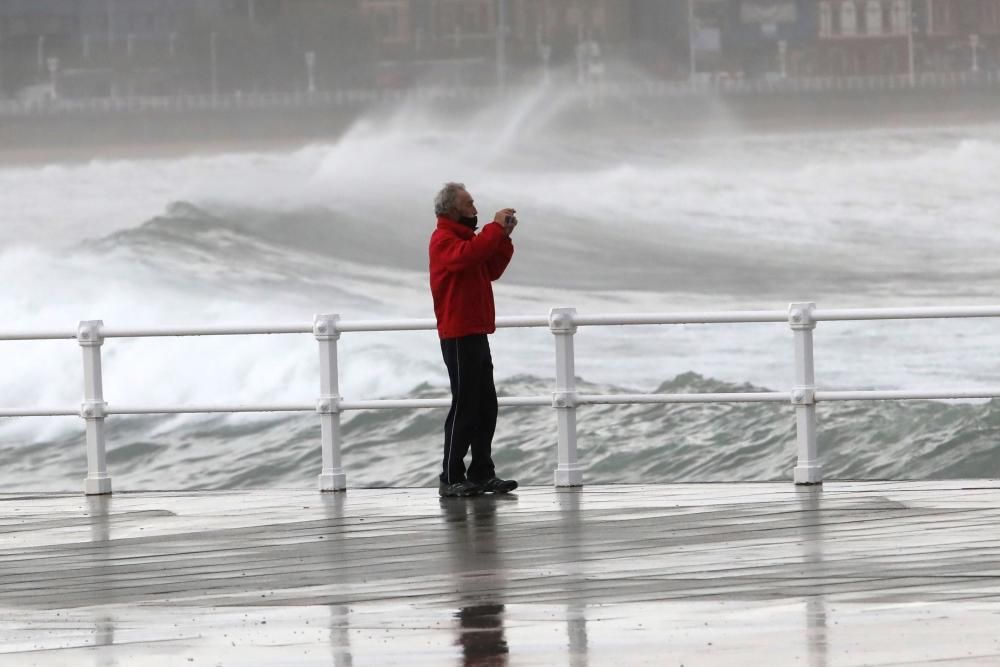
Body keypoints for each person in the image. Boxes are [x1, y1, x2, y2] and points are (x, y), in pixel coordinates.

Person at [429, 182, 520, 498]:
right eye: (469, 204)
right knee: (465, 404)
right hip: (456, 334)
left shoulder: (470, 241)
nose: (475, 209)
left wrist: (503, 237)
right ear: (453, 209)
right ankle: (451, 476)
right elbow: (466, 258)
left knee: (486, 405)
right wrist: (495, 230)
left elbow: (491, 267)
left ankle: (482, 471)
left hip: (477, 331)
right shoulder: (443, 240)